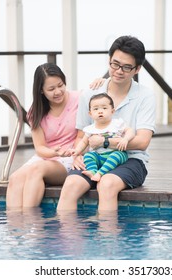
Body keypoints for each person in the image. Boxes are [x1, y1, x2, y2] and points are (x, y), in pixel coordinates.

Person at [57, 35, 156, 212]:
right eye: (115, 64)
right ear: (109, 61)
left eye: (126, 67)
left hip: (131, 159)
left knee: (107, 184)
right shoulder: (91, 93)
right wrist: (77, 155)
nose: (119, 71)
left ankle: (107, 239)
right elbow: (81, 135)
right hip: (95, 157)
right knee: (71, 184)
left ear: (137, 69)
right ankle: (66, 237)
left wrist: (105, 142)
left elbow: (142, 142)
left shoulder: (145, 96)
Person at [6, 63, 104, 208]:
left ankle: (32, 222)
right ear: (41, 91)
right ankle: (15, 227)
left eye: (60, 85)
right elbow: (40, 148)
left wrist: (101, 82)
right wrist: (54, 152)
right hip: (48, 156)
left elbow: (104, 96)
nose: (58, 91)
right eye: (51, 89)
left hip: (72, 156)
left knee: (37, 169)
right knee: (15, 178)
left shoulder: (80, 99)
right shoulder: (35, 111)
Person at [70, 93, 135, 182]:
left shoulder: (117, 124)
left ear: (112, 111)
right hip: (99, 156)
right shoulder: (90, 129)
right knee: (88, 155)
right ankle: (93, 171)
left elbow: (130, 131)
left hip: (116, 153)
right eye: (96, 109)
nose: (100, 111)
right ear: (90, 113)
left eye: (104, 108)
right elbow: (84, 142)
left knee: (116, 155)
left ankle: (100, 173)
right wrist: (76, 151)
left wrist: (125, 139)